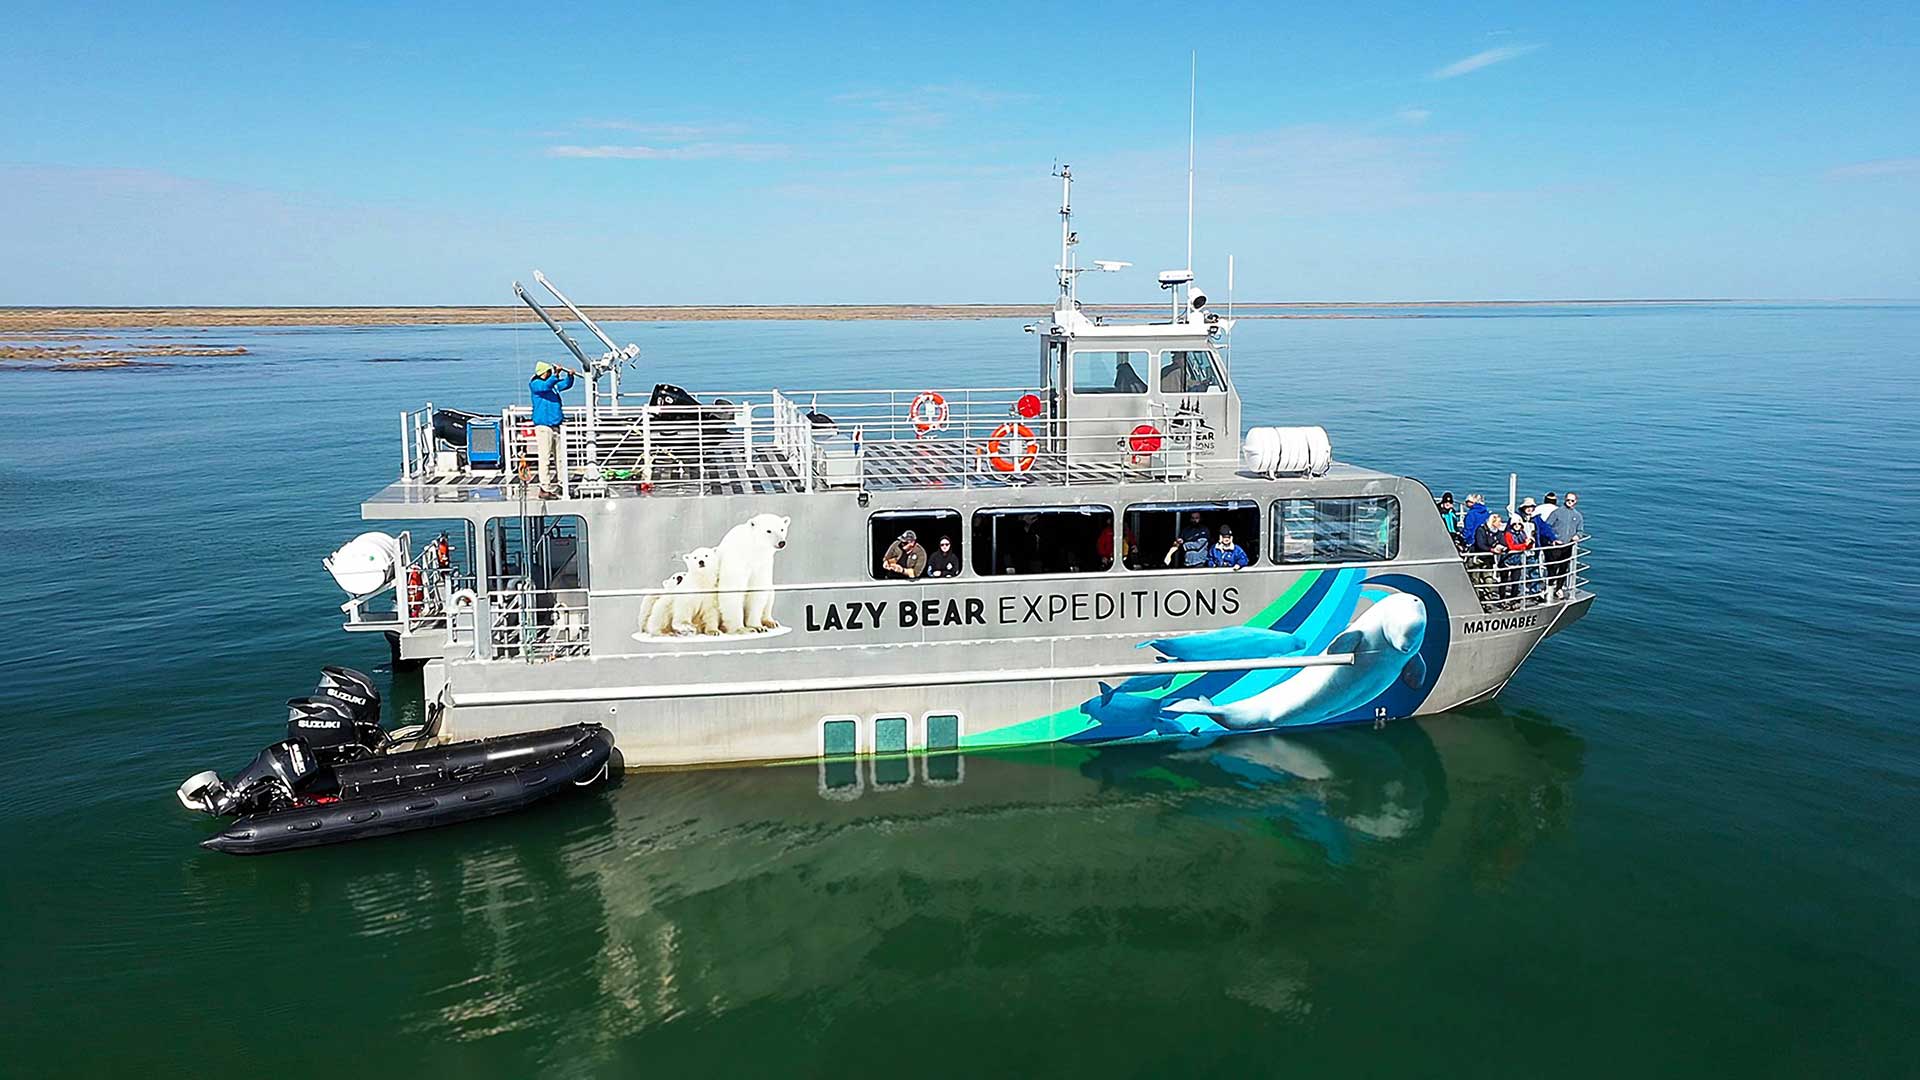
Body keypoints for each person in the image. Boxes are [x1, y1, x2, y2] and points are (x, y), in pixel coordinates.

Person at [529, 361, 577, 498]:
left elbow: (564, 385)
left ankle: (562, 483)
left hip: (556, 425)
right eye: (548, 372)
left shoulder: (552, 385)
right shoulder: (536, 384)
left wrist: (570, 377)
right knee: (545, 458)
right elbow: (546, 386)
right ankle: (544, 487)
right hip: (544, 426)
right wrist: (556, 374)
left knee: (560, 458)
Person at [1546, 491, 1585, 596]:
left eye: (1572, 500)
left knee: (1563, 567)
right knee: (1553, 566)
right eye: (1568, 500)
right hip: (1556, 545)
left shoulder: (1578, 516)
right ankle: (1549, 586)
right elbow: (1547, 526)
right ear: (1565, 500)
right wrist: (1553, 538)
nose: (1570, 502)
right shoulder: (1557, 512)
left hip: (1568, 545)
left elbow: (1580, 530)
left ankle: (1558, 588)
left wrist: (1577, 536)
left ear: (1575, 502)